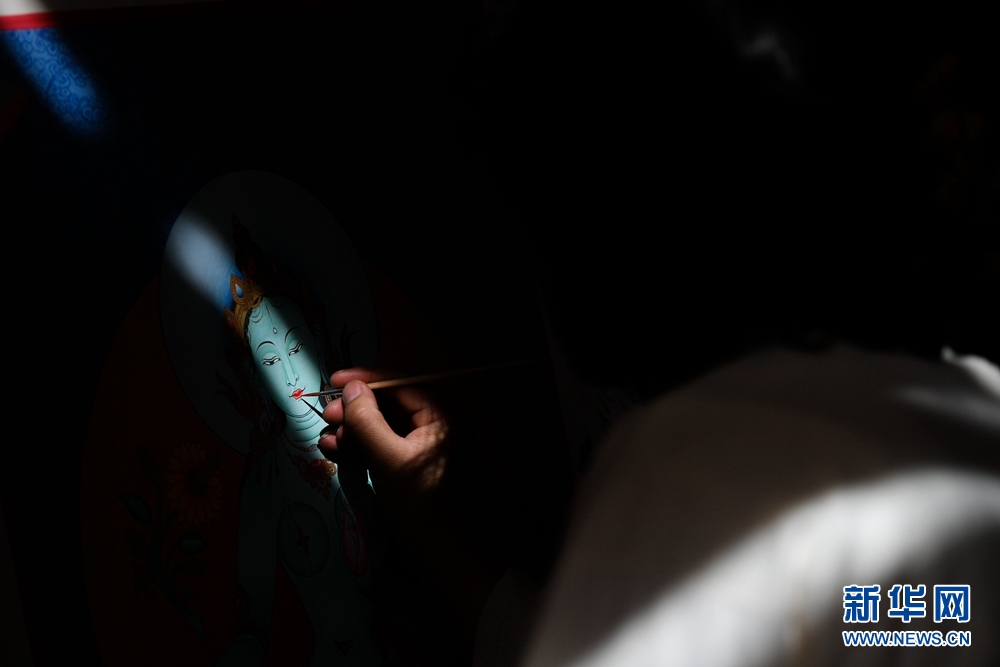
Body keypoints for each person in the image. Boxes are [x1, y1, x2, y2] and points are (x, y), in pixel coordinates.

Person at [216, 220, 381, 667]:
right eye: (270, 360)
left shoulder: (371, 442)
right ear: (255, 378)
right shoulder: (267, 483)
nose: (290, 377)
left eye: (295, 350)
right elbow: (252, 621)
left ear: (318, 345)